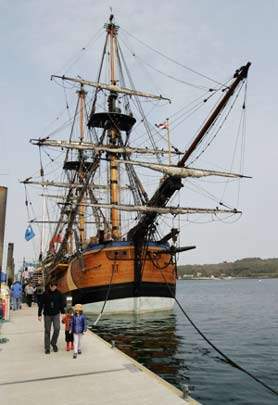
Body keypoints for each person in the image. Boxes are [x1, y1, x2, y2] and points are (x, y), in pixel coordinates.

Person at [38, 281, 65, 354]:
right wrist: (39, 314)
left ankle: (53, 342)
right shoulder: (45, 294)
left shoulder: (59, 293)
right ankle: (47, 348)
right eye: (52, 286)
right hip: (47, 315)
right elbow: (41, 304)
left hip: (56, 314)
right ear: (50, 286)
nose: (54, 288)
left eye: (55, 286)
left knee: (57, 328)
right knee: (47, 330)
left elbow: (61, 304)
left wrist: (63, 313)